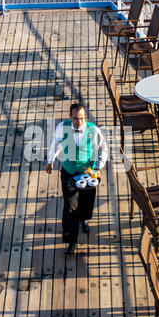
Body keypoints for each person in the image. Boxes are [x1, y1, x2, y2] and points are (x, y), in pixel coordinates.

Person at [46, 103, 108, 254]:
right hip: (68, 171)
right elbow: (55, 145)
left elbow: (103, 149)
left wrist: (98, 168)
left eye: (81, 118)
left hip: (88, 173)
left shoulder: (93, 130)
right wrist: (50, 161)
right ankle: (71, 240)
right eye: (75, 118)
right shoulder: (63, 127)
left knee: (87, 200)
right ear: (70, 117)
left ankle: (83, 219)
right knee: (70, 207)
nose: (79, 122)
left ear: (85, 117)